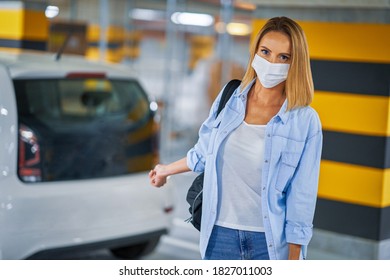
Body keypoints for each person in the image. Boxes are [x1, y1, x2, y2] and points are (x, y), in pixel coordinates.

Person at [149, 16, 322, 260]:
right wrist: (165, 170)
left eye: (284, 57)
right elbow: (203, 153)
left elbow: (302, 195)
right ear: (255, 53)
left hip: (269, 243)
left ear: (296, 63)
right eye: (265, 52)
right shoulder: (230, 98)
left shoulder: (304, 120)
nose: (272, 62)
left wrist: (294, 257)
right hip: (219, 236)